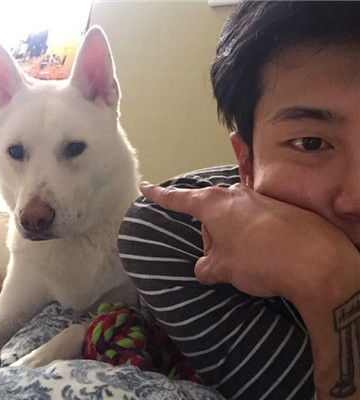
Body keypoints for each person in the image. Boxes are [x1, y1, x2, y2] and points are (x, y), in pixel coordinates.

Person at [118, 1, 360, 399]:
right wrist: (331, 280)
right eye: (310, 143)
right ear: (246, 162)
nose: (354, 198)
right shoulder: (179, 232)